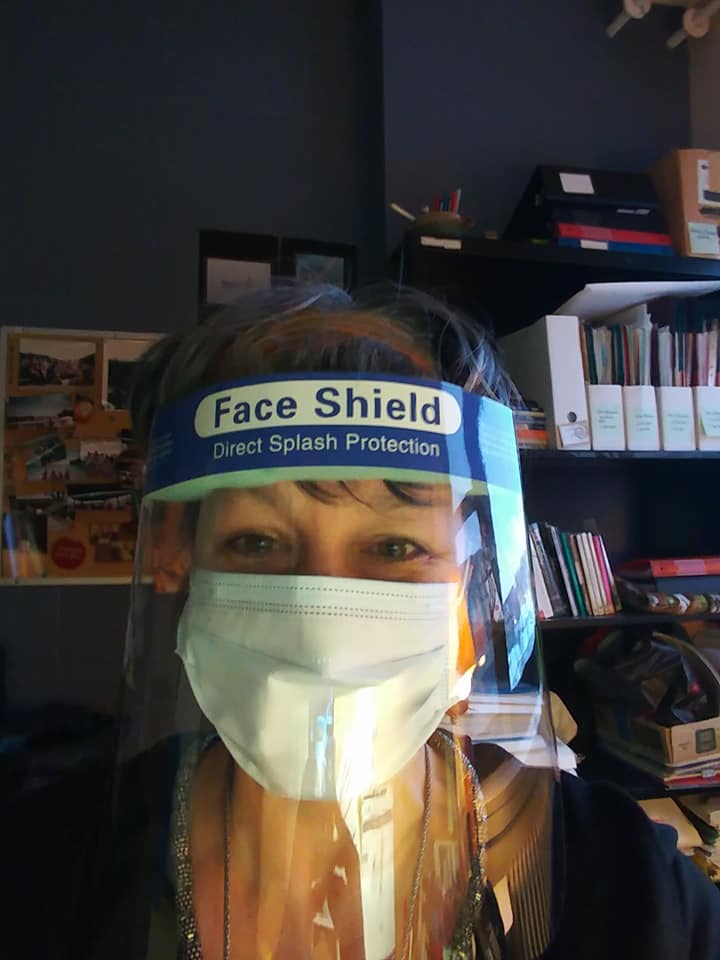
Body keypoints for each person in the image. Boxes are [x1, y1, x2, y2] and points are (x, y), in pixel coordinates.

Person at [92, 285, 719, 960]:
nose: (322, 632)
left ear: (470, 577)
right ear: (177, 555)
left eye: (395, 547)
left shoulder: (634, 894)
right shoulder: (54, 867)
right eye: (258, 542)